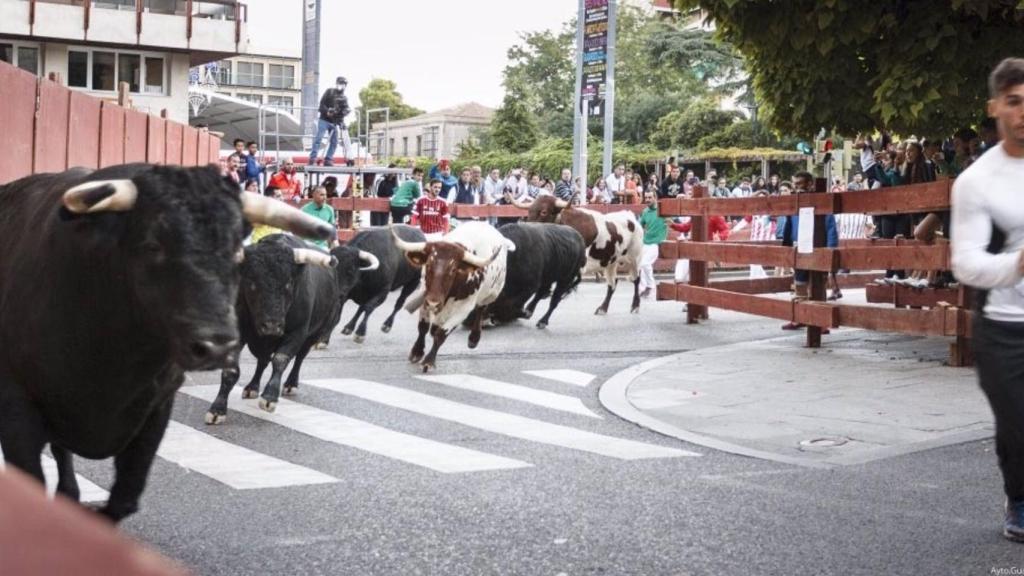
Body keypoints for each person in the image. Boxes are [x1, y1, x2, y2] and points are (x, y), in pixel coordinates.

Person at [951, 58, 1024, 544]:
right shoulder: (976, 181)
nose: (1023, 114)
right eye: (1015, 102)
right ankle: (1019, 497)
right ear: (995, 106)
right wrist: (1018, 265)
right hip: (1005, 325)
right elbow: (966, 263)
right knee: (1018, 424)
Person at [780, 172, 838, 330]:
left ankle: (821, 323)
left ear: (811, 184)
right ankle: (800, 317)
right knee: (799, 284)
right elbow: (789, 223)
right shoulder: (795, 202)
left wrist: (830, 250)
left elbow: (831, 227)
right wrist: (786, 247)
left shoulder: (822, 202)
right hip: (800, 247)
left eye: (801, 184)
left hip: (818, 247)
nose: (797, 188)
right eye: (795, 184)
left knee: (818, 285)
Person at [309, 76, 351, 167]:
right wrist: (327, 111)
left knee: (334, 142)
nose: (341, 86)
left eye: (343, 84)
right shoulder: (329, 92)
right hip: (324, 120)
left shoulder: (344, 98)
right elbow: (321, 104)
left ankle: (328, 159)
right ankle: (313, 158)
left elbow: (347, 108)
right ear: (336, 84)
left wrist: (343, 113)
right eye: (340, 83)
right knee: (318, 139)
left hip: (334, 122)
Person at [638, 190, 667, 298]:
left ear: (655, 198)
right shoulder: (645, 212)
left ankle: (650, 286)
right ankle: (642, 290)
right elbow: (640, 226)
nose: (648, 200)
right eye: (646, 198)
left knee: (645, 263)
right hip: (645, 242)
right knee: (641, 265)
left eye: (650, 197)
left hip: (657, 243)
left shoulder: (663, 210)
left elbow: (674, 220)